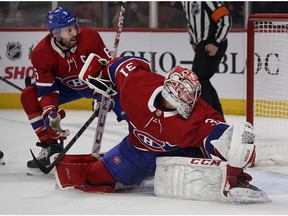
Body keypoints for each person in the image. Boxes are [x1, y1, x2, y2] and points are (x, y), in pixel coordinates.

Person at [53, 54, 270, 203]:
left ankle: (232, 178)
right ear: (168, 95)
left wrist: (234, 146)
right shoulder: (139, 87)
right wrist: (102, 79)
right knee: (95, 177)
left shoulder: (197, 115)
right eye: (182, 100)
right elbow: (121, 66)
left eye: (190, 99)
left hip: (175, 154)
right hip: (136, 152)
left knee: (208, 154)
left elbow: (216, 132)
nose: (188, 105)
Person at [20, 7, 124, 170]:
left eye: (75, 26)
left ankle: (147, 143)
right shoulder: (41, 53)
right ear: (55, 33)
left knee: (128, 101)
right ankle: (52, 147)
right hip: (66, 88)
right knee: (28, 95)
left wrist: (103, 96)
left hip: (94, 85)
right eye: (68, 30)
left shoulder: (90, 37)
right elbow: (47, 90)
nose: (75, 32)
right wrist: (50, 113)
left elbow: (107, 70)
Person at [181, 1, 232, 117]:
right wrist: (193, 40)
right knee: (203, 81)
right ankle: (217, 118)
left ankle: (208, 118)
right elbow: (191, 21)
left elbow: (225, 20)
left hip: (211, 42)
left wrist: (216, 42)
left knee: (198, 81)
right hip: (202, 44)